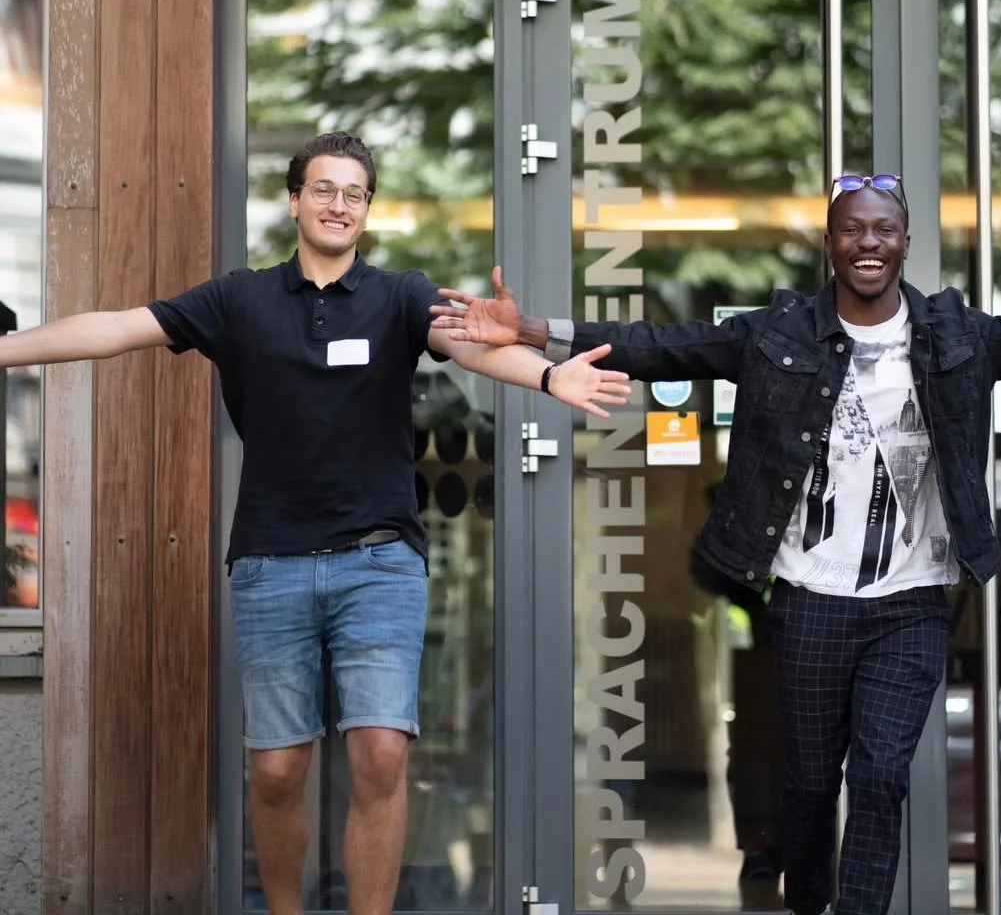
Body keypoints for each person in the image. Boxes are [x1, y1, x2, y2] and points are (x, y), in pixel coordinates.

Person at [1, 131, 631, 915]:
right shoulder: (239, 301)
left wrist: (546, 373)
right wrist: (4, 349)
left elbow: (469, 346)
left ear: (368, 210)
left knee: (379, 757)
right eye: (324, 190)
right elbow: (115, 327)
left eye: (354, 193)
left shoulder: (400, 295)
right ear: (295, 201)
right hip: (271, 562)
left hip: (379, 563)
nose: (339, 205)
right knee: (276, 772)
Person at [430, 173, 1001, 915]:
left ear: (904, 243)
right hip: (810, 598)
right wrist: (532, 332)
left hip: (913, 600)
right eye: (852, 230)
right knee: (807, 783)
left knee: (881, 774)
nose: (868, 243)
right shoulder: (776, 334)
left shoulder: (959, 335)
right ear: (830, 244)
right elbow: (658, 347)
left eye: (883, 230)